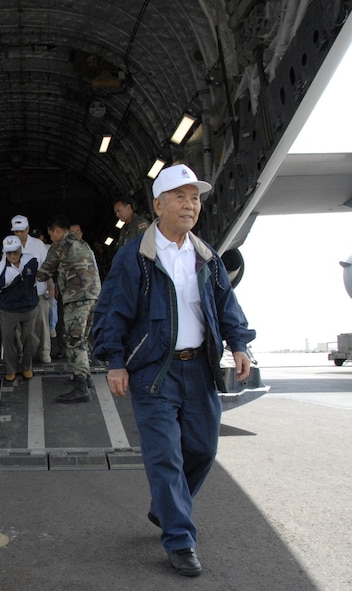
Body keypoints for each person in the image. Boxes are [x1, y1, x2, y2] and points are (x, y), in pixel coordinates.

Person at [92, 163, 256, 577]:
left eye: (195, 198)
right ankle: (180, 539)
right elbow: (112, 312)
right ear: (159, 205)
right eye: (180, 197)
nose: (190, 205)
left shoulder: (206, 256)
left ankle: (167, 508)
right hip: (153, 372)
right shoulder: (136, 257)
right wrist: (115, 362)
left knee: (202, 450)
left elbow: (226, 305)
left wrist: (239, 344)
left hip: (199, 369)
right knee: (165, 455)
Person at [36, 215, 101, 402]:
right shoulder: (82, 243)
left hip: (76, 298)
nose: (51, 239)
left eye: (51, 234)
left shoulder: (60, 246)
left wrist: (31, 271)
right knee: (83, 338)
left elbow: (43, 273)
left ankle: (81, 388)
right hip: (93, 296)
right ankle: (86, 376)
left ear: (57, 230)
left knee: (74, 341)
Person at [0, 236, 39, 380]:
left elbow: (47, 272)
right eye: (9, 253)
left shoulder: (32, 261)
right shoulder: (0, 270)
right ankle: (11, 370)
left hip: (29, 308)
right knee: (8, 340)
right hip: (9, 310)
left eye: (15, 252)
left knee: (29, 338)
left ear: (20, 249)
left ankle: (27, 367)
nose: (12, 256)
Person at [11, 215, 52, 363]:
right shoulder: (9, 244)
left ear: (27, 229)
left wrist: (50, 287)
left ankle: (44, 352)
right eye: (16, 231)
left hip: (38, 289)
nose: (19, 234)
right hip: (17, 291)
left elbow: (47, 267)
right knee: (19, 325)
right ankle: (22, 354)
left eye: (21, 231)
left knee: (42, 322)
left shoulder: (38, 245)